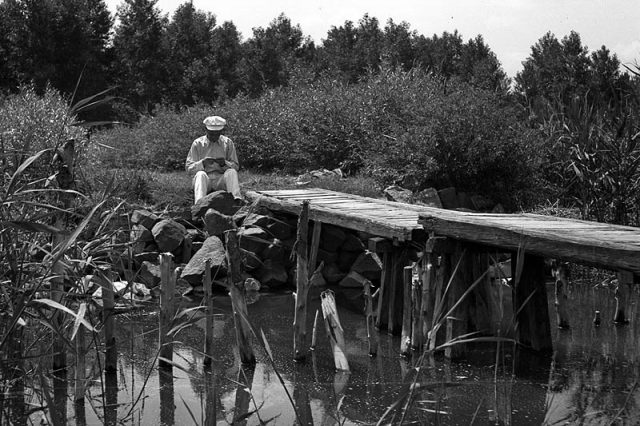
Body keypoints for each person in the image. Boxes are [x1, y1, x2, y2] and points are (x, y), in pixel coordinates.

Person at [185, 115, 242, 202]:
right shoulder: (198, 143)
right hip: (205, 180)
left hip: (221, 179)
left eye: (217, 134)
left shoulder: (228, 143)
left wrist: (224, 163)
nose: (214, 136)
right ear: (206, 130)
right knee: (200, 174)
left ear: (221, 131)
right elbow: (189, 169)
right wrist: (203, 163)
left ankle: (236, 201)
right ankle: (199, 204)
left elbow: (236, 167)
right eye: (211, 134)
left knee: (231, 172)